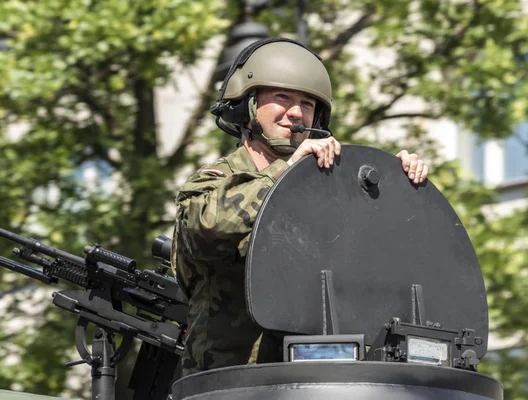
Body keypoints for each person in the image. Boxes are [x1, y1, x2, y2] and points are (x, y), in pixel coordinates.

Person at [172, 38, 429, 376]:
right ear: (249, 105)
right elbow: (208, 227)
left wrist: (401, 191)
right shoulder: (214, 180)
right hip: (230, 381)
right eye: (282, 97)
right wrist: (287, 170)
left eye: (307, 103)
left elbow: (376, 264)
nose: (295, 112)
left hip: (319, 380)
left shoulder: (331, 186)